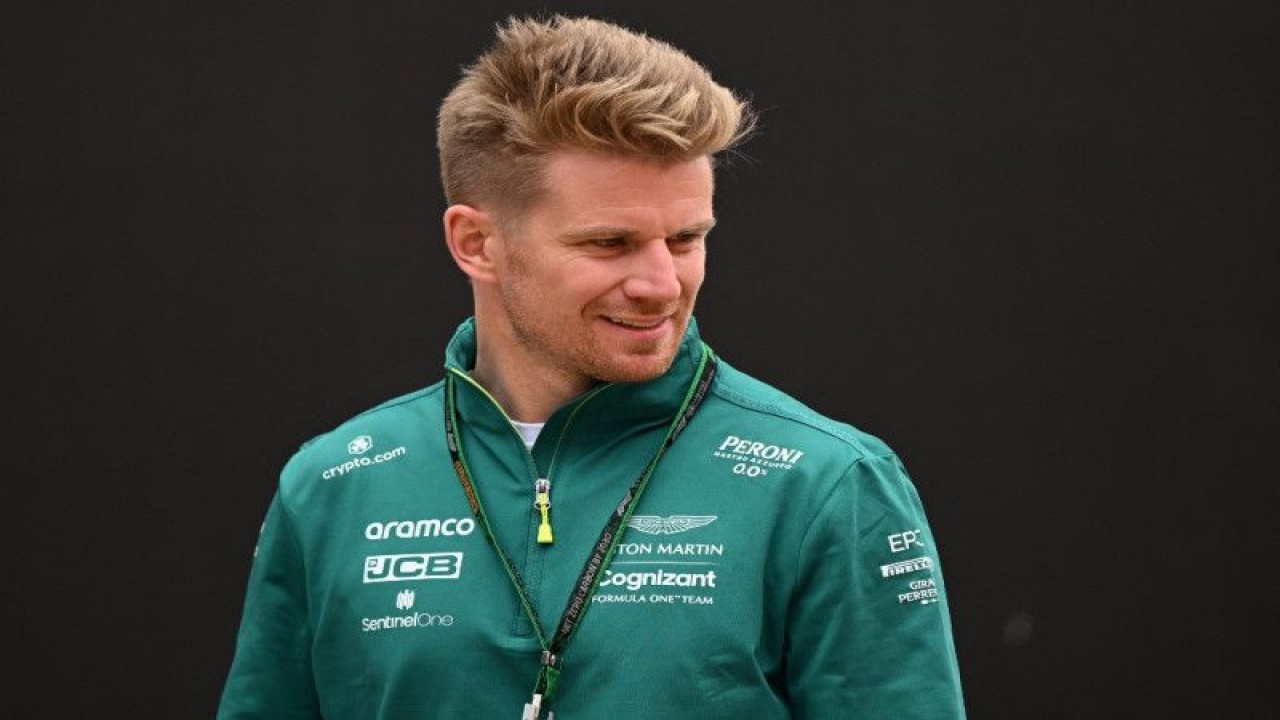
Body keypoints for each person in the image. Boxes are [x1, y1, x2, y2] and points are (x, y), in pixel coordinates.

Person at [217, 14, 965, 719]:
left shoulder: (828, 483)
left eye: (685, 239)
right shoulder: (331, 486)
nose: (661, 285)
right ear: (476, 243)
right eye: (609, 243)